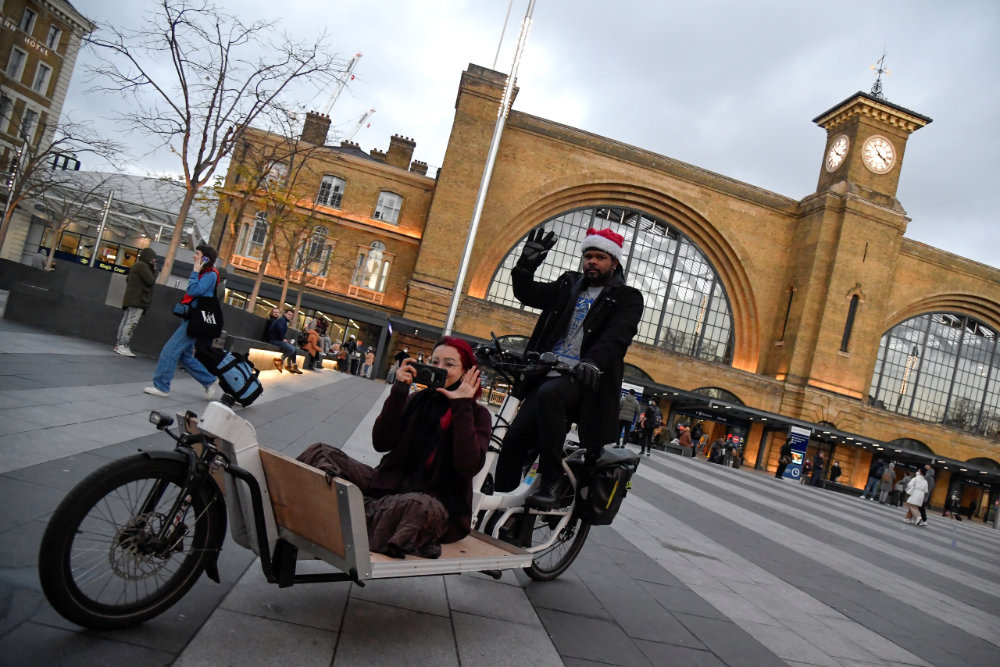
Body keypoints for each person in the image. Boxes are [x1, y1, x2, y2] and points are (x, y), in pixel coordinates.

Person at [295, 337, 490, 558]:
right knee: (321, 451)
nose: (439, 369)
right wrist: (399, 391)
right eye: (435, 361)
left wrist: (461, 405)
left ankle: (343, 509)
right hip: (389, 485)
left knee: (417, 507)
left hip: (435, 503)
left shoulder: (476, 414)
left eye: (449, 364)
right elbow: (381, 442)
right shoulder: (417, 399)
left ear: (466, 372)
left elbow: (468, 466)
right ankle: (366, 512)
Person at [494, 226, 644, 508]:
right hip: (545, 374)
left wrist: (591, 362)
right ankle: (503, 505)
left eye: (600, 257)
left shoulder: (627, 297)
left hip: (585, 380)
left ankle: (550, 480)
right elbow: (528, 294)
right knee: (513, 440)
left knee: (551, 394)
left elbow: (617, 337)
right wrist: (525, 266)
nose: (592, 262)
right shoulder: (569, 284)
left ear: (614, 262)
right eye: (588, 255)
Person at [144, 245, 220, 398]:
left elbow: (193, 291)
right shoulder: (207, 273)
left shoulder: (210, 275)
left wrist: (195, 272)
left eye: (197, 254)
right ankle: (209, 381)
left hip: (194, 321)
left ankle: (162, 386)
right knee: (184, 356)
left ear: (205, 258)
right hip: (191, 318)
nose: (194, 256)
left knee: (170, 350)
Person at [114, 247, 157, 357]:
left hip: (131, 300)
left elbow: (128, 279)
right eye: (153, 258)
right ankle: (123, 345)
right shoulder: (143, 266)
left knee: (126, 321)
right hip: (138, 300)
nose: (154, 261)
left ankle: (119, 344)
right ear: (148, 257)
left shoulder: (137, 265)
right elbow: (151, 280)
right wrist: (154, 270)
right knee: (131, 323)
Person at [268, 308, 302, 374]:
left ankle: (290, 365)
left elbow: (281, 332)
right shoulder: (281, 320)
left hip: (278, 339)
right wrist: (284, 338)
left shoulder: (284, 321)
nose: (290, 316)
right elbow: (280, 330)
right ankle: (280, 360)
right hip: (273, 340)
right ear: (285, 314)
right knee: (292, 349)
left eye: (291, 315)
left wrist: (286, 339)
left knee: (294, 348)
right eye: (288, 314)